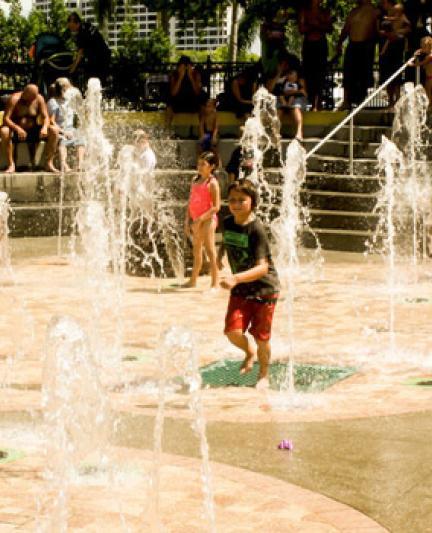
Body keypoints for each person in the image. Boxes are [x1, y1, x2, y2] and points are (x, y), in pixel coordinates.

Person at [217, 179, 280, 390]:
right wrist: (219, 256)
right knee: (232, 331)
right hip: (242, 288)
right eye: (232, 200)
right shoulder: (227, 222)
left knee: (262, 338)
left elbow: (263, 268)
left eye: (241, 200)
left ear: (252, 202)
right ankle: (248, 351)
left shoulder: (256, 230)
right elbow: (226, 240)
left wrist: (235, 278)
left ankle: (263, 374)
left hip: (264, 290)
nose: (235, 204)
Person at [0, 84, 59, 173]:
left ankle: (49, 163)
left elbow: (46, 117)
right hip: (16, 130)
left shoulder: (39, 98)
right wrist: (17, 128)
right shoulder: (14, 99)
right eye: (31, 97)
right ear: (25, 93)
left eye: (34, 97)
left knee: (54, 130)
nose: (32, 100)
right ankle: (11, 164)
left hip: (33, 130)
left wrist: (45, 127)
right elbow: (6, 118)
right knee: (4, 131)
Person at [183, 151, 220, 289]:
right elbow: (190, 201)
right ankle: (193, 281)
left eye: (203, 164)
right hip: (195, 219)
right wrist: (187, 221)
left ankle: (215, 283)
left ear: (212, 166)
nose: (199, 166)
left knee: (210, 250)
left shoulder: (212, 183)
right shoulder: (194, 180)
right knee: (197, 251)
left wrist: (200, 219)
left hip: (208, 219)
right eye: (199, 163)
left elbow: (216, 207)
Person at [336, 0, 380, 109]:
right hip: (352, 45)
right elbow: (346, 28)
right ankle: (346, 101)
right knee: (348, 73)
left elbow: (378, 31)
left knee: (363, 76)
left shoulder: (375, 11)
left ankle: (360, 102)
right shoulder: (354, 11)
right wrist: (340, 42)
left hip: (366, 46)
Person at [298, 0, 332, 111]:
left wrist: (319, 25)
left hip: (321, 45)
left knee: (320, 75)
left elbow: (329, 28)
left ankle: (319, 103)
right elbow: (301, 29)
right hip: (309, 45)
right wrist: (314, 26)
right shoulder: (304, 12)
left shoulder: (325, 12)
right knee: (309, 74)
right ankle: (311, 103)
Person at [47, 77, 85, 172]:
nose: (71, 87)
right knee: (63, 141)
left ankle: (80, 164)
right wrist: (63, 132)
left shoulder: (69, 100)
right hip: (60, 129)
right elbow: (51, 121)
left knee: (81, 138)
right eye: (69, 85)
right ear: (63, 88)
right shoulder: (53, 102)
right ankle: (64, 164)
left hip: (71, 129)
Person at [379, 1, 411, 109]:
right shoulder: (387, 18)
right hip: (388, 48)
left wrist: (398, 32)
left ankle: (397, 99)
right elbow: (381, 31)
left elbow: (408, 28)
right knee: (388, 77)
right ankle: (390, 101)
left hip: (397, 48)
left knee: (396, 76)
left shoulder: (402, 18)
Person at [66, 12, 111, 86]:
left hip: (99, 59)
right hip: (104, 56)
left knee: (93, 82)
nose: (71, 29)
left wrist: (72, 69)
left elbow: (80, 53)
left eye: (72, 27)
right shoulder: (87, 25)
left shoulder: (82, 33)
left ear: (77, 23)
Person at [166, 55, 207, 127]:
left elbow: (197, 92)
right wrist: (180, 77)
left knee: (202, 102)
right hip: (179, 102)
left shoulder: (195, 74)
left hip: (192, 102)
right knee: (169, 103)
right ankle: (167, 131)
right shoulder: (175, 75)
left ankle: (202, 130)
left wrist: (191, 77)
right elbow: (173, 93)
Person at [277, 69, 308, 140]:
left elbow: (304, 94)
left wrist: (295, 92)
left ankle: (299, 132)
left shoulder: (298, 84)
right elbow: (279, 91)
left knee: (296, 108)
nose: (290, 76)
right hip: (284, 101)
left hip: (293, 101)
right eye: (289, 74)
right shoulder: (283, 83)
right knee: (279, 109)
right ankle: (276, 132)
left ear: (296, 77)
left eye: (292, 75)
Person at [413, 36, 432, 109]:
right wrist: (416, 53)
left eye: (424, 47)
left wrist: (412, 65)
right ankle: (429, 107)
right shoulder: (428, 55)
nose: (422, 48)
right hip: (428, 77)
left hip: (430, 78)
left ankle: (429, 108)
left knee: (429, 93)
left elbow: (422, 63)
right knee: (428, 93)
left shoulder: (430, 56)